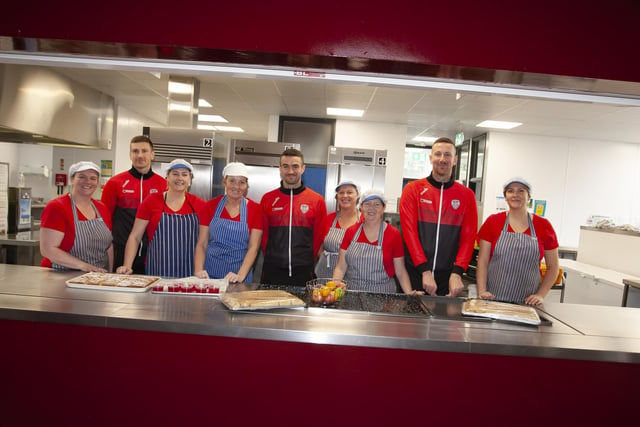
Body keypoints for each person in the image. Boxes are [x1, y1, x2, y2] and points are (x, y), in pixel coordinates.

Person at [399, 136, 478, 297]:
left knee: (443, 322)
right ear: (431, 158)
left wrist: (457, 273)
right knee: (411, 321)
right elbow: (409, 233)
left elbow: (468, 238)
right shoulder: (412, 189)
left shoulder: (467, 195)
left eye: (447, 155)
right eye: (438, 154)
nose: (442, 159)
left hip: (449, 279)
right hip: (416, 274)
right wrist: (424, 270)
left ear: (455, 159)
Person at [476, 177, 560, 305]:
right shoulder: (493, 222)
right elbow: (482, 261)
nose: (515, 195)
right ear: (505, 196)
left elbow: (553, 267)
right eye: (510, 191)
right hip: (493, 298)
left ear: (529, 197)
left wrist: (540, 295)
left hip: (528, 302)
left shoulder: (543, 225)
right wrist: (482, 291)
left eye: (521, 191)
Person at [116, 159, 205, 278]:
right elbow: (135, 237)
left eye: (184, 174)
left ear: (190, 179)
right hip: (157, 269)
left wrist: (200, 270)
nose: (180, 178)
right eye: (175, 174)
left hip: (189, 271)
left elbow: (204, 242)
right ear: (167, 177)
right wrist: (127, 266)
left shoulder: (200, 204)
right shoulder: (151, 201)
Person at [260, 147, 327, 286]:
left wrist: (305, 260)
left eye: (295, 166)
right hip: (272, 272)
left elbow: (318, 236)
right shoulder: (267, 199)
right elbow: (264, 237)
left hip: (304, 273)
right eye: (286, 166)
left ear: (303, 168)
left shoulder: (317, 200)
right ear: (280, 168)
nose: (290, 171)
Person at [332, 189, 418, 295]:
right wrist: (334, 287)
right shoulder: (351, 232)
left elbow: (400, 271)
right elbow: (341, 266)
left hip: (382, 295)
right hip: (352, 293)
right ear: (361, 208)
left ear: (383, 208)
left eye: (377, 204)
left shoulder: (393, 234)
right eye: (367, 204)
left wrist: (409, 293)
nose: (371, 208)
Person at [101, 135, 166, 273]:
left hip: (153, 253)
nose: (140, 155)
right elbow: (105, 219)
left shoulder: (163, 185)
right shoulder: (115, 183)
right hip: (122, 251)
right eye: (135, 151)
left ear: (152, 155)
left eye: (144, 151)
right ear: (130, 155)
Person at [194, 162, 263, 283]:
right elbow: (202, 243)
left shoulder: (256, 210)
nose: (236, 186)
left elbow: (253, 247)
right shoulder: (210, 206)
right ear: (224, 182)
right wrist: (198, 271)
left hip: (240, 274)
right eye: (232, 181)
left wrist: (240, 276)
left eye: (242, 182)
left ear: (246, 185)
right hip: (210, 275)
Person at [40, 161, 113, 272]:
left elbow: (108, 247)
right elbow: (48, 249)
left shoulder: (102, 208)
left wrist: (110, 274)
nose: (88, 182)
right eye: (82, 177)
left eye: (93, 178)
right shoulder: (57, 207)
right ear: (72, 179)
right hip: (60, 275)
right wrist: (85, 266)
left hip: (97, 276)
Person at [314, 181, 362, 278]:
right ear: (337, 197)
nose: (345, 196)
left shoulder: (364, 221)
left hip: (355, 274)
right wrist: (325, 258)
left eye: (349, 192)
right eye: (341, 193)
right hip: (326, 273)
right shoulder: (328, 219)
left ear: (357, 195)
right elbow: (318, 243)